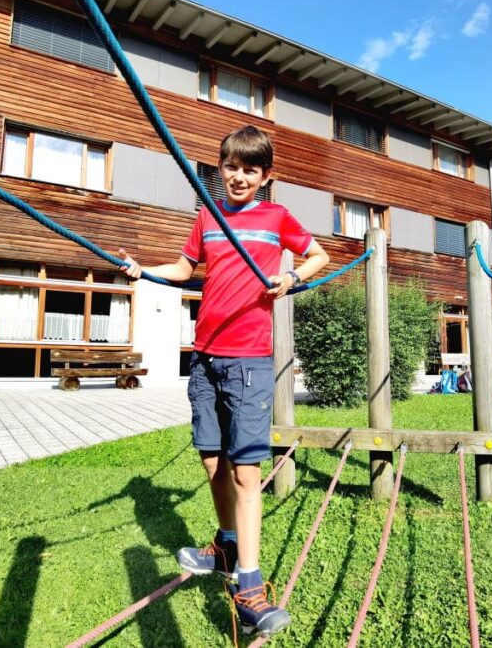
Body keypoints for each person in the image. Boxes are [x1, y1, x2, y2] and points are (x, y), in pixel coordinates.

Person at [118, 126, 329, 638]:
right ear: (221, 169)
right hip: (206, 358)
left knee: (245, 472)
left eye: (250, 170)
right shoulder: (208, 217)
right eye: (232, 167)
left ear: (265, 177)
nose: (239, 177)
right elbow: (186, 268)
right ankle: (228, 541)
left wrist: (291, 278)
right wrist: (141, 269)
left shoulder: (275, 217)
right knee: (211, 457)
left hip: (248, 360)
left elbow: (319, 255)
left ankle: (250, 585)